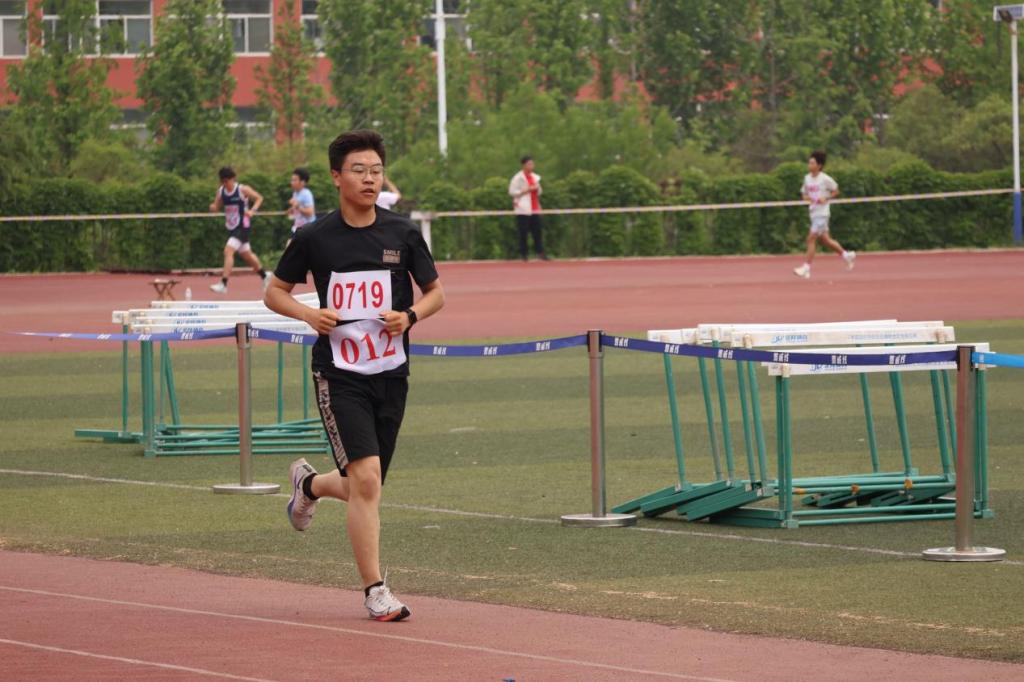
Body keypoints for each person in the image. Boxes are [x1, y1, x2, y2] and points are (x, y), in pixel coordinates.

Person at [265, 129, 445, 622]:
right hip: (339, 373)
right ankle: (375, 590)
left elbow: (436, 293)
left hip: (391, 372)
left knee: (367, 485)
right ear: (336, 177)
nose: (370, 179)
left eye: (377, 171)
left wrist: (409, 316)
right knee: (365, 481)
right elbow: (274, 292)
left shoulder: (402, 233)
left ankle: (309, 486)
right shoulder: (314, 237)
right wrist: (309, 314)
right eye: (359, 170)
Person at [793, 150, 855, 279]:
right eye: (809, 163)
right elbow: (804, 194)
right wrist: (809, 198)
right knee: (826, 240)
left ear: (819, 165)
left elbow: (836, 191)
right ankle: (846, 255)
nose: (809, 165)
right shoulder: (807, 178)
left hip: (822, 214)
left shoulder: (825, 178)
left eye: (812, 163)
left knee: (811, 238)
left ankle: (806, 268)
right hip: (813, 212)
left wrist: (826, 198)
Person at [208, 166, 268, 293]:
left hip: (243, 225)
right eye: (222, 182)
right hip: (232, 227)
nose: (225, 184)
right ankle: (265, 276)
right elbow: (216, 206)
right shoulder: (221, 191)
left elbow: (259, 198)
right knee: (247, 254)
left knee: (228, 251)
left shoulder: (242, 189)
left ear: (233, 179)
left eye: (227, 181)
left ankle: (224, 284)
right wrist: (213, 207)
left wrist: (252, 211)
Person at [508, 155, 548, 261]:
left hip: (535, 208)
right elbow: (512, 192)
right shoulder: (517, 178)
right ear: (524, 165)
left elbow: (539, 192)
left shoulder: (535, 177)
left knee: (537, 231)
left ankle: (540, 253)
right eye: (529, 164)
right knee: (523, 232)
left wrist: (536, 189)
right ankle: (524, 254)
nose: (532, 166)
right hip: (523, 209)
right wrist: (526, 190)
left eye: (532, 164)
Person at [286, 167, 316, 247]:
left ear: (302, 182)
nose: (292, 182)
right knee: (289, 248)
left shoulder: (306, 194)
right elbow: (296, 209)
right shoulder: (295, 193)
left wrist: (297, 206)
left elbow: (310, 212)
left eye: (294, 180)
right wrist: (291, 210)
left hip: (307, 228)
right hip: (297, 228)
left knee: (291, 248)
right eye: (292, 180)